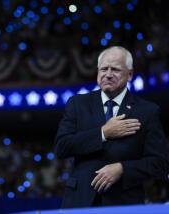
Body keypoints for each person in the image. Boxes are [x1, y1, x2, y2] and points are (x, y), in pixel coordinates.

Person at [54, 46, 169, 208]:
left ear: (130, 74)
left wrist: (123, 169)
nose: (108, 74)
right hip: (80, 202)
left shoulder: (147, 111)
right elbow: (61, 147)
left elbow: (160, 164)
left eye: (115, 69)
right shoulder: (77, 104)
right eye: (104, 69)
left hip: (124, 203)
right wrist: (103, 133)